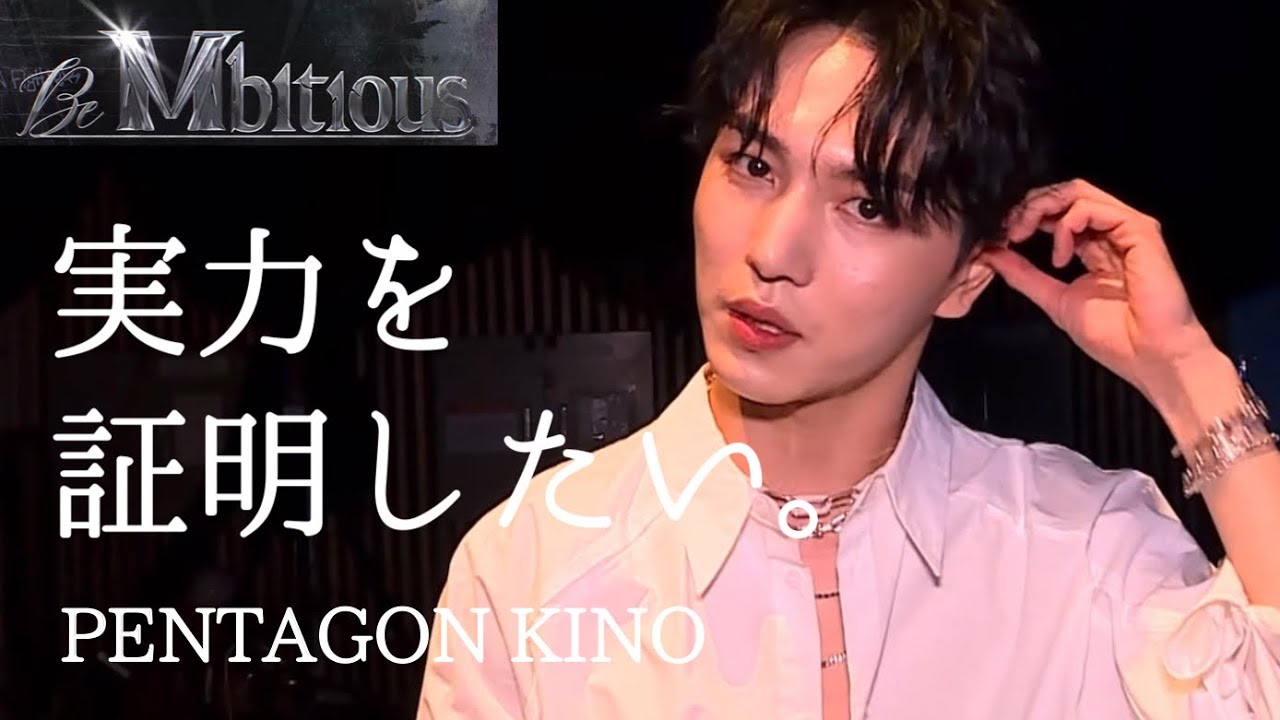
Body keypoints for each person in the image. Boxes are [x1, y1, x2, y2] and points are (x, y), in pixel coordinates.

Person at [416, 0, 1280, 717]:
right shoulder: (532, 569)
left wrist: (1187, 372)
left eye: (867, 205)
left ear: (967, 277)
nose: (772, 250)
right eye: (753, 164)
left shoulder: (1085, 550)